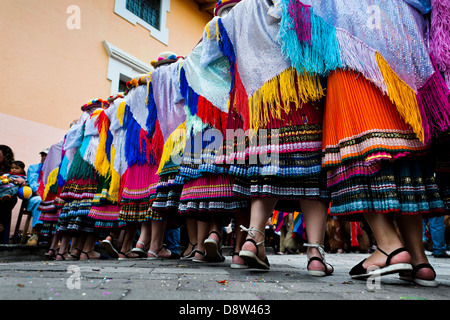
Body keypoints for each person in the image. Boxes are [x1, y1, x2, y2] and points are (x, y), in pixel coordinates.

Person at [25, 148, 48, 246]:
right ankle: (36, 232)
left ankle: (52, 235)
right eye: (42, 155)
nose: (44, 157)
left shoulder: (55, 170)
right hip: (35, 199)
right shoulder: (33, 168)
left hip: (48, 199)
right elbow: (34, 185)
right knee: (39, 200)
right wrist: (43, 196)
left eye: (46, 155)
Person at [0, 145, 23, 243]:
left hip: (7, 196)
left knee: (11, 198)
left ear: (5, 156)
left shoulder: (12, 169)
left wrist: (22, 181)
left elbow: (23, 179)